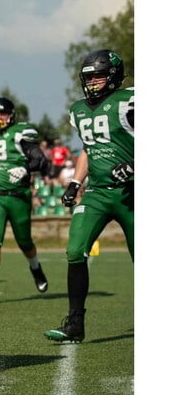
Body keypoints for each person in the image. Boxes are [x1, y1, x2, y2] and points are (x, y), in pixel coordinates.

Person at [44, 49, 134, 342]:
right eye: (89, 77)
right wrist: (74, 182)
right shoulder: (79, 110)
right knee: (74, 250)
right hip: (96, 191)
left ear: (114, 76)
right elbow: (88, 148)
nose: (93, 82)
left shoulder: (128, 102)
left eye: (99, 75)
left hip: (132, 192)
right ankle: (75, 322)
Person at [0, 97, 50, 303]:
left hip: (18, 196)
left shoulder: (20, 133)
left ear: (11, 115)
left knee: (24, 241)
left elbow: (40, 160)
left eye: (2, 114)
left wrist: (25, 168)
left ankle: (35, 268)